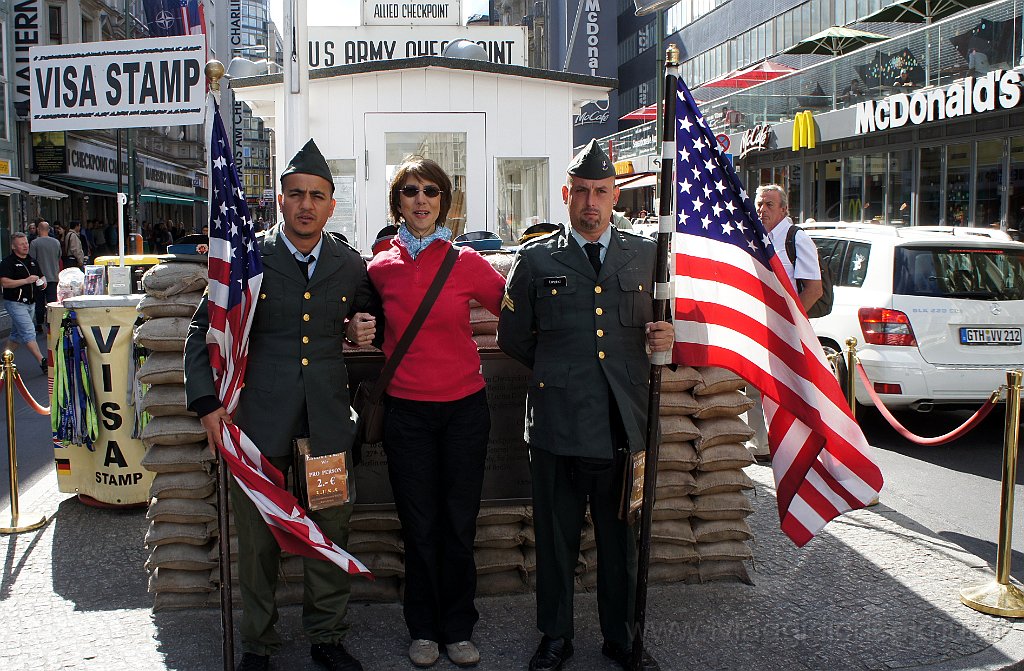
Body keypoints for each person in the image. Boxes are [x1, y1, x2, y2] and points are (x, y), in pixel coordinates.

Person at [184, 139, 375, 671]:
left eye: (317, 195)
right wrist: (206, 404)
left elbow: (363, 318)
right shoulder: (250, 259)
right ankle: (258, 643)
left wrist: (359, 328)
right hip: (259, 424)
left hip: (328, 423)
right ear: (281, 199)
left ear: (332, 204)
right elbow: (205, 333)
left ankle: (327, 636)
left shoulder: (348, 262)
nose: (306, 205)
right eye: (296, 194)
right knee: (260, 536)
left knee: (330, 528)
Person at [498, 139, 674, 671]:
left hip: (624, 424)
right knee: (555, 541)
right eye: (581, 192)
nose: (591, 203)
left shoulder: (646, 256)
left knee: (621, 537)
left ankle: (620, 637)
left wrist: (668, 337)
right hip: (557, 424)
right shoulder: (535, 259)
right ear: (565, 195)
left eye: (601, 191)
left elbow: (665, 331)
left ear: (615, 195)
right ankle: (555, 637)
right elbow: (514, 336)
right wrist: (565, 372)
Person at [350, 157, 506, 669]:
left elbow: (513, 306)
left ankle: (458, 628)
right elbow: (348, 315)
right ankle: (423, 628)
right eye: (411, 190)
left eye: (432, 192)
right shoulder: (378, 267)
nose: (421, 200)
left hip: (464, 411)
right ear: (398, 201)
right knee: (418, 525)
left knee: (459, 524)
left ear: (444, 202)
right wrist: (353, 328)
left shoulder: (466, 263)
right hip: (407, 416)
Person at [744, 184, 824, 462]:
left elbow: (814, 289)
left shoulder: (795, 237)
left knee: (794, 387)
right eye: (759, 204)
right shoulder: (756, 236)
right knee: (755, 384)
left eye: (769, 204)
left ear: (784, 209)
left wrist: (790, 322)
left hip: (788, 327)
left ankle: (806, 444)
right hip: (761, 322)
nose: (762, 210)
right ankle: (761, 445)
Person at [0, 233, 47, 373]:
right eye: (22, 244)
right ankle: (42, 361)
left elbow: (41, 275)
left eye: (26, 243)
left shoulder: (32, 261)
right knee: (28, 331)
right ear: (14, 246)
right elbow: (4, 283)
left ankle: (4, 360)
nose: (26, 246)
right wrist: (26, 281)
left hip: (31, 303)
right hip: (15, 302)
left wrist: (43, 283)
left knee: (16, 335)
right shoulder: (7, 262)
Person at [29, 221, 61, 330]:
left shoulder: (34, 243)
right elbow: (58, 257)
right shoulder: (56, 242)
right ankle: (51, 323)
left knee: (39, 302)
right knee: (52, 302)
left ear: (38, 229)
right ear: (49, 230)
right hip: (53, 276)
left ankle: (39, 325)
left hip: (40, 278)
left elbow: (31, 260)